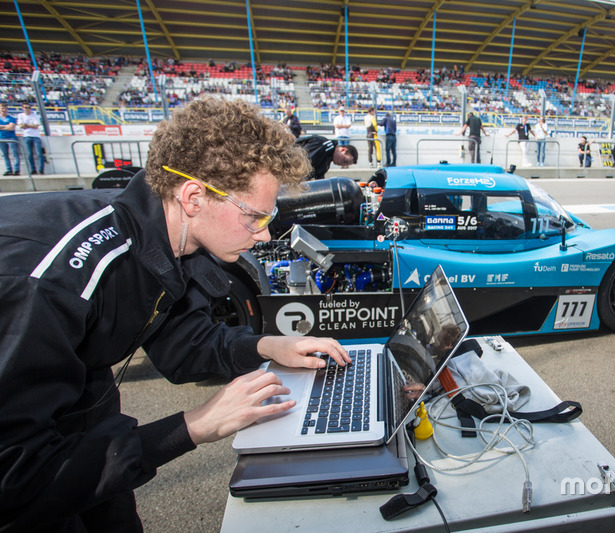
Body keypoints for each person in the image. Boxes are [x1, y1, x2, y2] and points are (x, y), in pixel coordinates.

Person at [0, 96, 352, 531]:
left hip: (85, 416)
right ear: (193, 196)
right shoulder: (49, 283)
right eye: (255, 218)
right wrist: (196, 425)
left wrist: (270, 344)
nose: (263, 237)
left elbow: (183, 346)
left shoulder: (173, 238)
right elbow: (15, 479)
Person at [17, 102, 45, 174]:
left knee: (39, 153)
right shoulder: (20, 115)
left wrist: (26, 125)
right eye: (25, 107)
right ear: (23, 108)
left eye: (29, 107)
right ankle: (33, 169)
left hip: (36, 136)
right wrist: (30, 125)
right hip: (26, 136)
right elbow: (20, 126)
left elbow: (36, 126)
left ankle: (41, 169)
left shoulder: (35, 116)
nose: (27, 109)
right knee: (29, 154)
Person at [0, 102, 20, 176]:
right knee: (5, 155)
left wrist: (1, 127)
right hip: (1, 138)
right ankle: (8, 170)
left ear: (7, 109)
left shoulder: (11, 118)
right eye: (2, 108)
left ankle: (16, 170)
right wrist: (6, 126)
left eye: (5, 108)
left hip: (11, 138)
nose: (3, 110)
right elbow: (8, 127)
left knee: (14, 154)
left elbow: (11, 127)